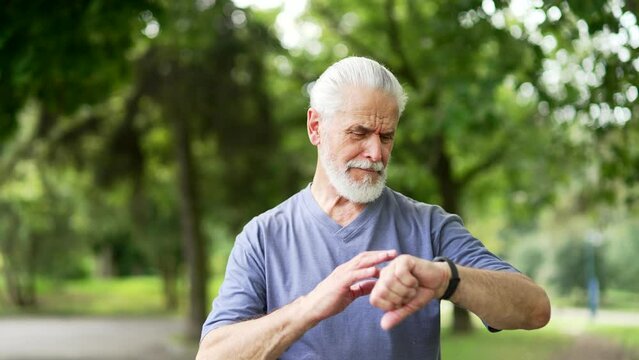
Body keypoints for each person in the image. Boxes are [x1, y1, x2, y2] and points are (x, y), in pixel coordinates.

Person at [196, 56, 550, 360]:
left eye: (386, 136)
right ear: (315, 127)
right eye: (359, 132)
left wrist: (446, 277)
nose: (376, 154)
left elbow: (535, 309)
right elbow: (213, 355)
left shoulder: (429, 226)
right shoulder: (263, 237)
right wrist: (311, 306)